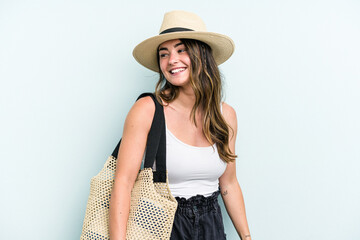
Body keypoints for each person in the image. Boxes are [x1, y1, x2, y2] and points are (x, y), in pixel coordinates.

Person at [109, 10, 251, 240]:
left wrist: (246, 236)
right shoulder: (147, 109)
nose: (171, 60)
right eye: (164, 54)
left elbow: (229, 184)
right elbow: (123, 182)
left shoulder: (226, 116)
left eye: (181, 50)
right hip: (163, 225)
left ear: (201, 54)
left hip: (212, 226)